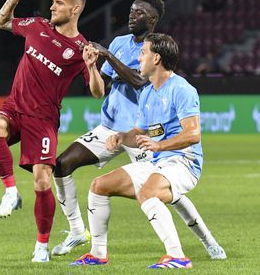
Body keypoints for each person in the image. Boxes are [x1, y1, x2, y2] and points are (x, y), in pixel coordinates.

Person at [53, 0, 225, 261]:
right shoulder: (125, 49)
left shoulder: (177, 86)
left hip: (172, 155)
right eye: (131, 10)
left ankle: (194, 248)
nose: (132, 15)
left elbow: (190, 132)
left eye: (139, 12)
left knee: (162, 194)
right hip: (120, 130)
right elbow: (102, 93)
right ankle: (93, 249)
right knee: (84, 177)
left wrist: (107, 56)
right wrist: (93, 70)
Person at [71, 33, 211, 269]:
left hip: (183, 163)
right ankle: (97, 254)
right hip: (157, 163)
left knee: (148, 192)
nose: (139, 57)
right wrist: (121, 137)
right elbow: (139, 132)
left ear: (156, 59)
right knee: (99, 186)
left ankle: (177, 256)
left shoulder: (182, 89)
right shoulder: (147, 92)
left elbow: (193, 134)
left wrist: (159, 145)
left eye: (143, 53)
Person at [0, 0, 104, 263]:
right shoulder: (36, 26)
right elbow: (1, 21)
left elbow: (98, 92)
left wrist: (90, 66)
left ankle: (41, 246)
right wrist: (12, 0)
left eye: (59, 3)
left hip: (43, 121)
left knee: (41, 182)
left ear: (75, 9)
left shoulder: (80, 49)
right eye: (52, 1)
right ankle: (11, 192)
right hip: (15, 108)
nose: (52, 6)